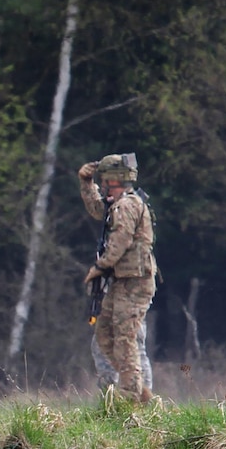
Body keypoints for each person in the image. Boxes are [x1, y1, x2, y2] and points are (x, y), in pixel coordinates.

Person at [76, 153, 157, 404]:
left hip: (135, 281)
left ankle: (133, 395)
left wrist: (100, 266)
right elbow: (99, 209)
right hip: (122, 281)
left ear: (115, 180)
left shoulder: (128, 205)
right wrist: (87, 183)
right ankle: (139, 390)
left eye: (106, 181)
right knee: (104, 333)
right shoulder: (118, 204)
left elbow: (120, 239)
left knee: (126, 338)